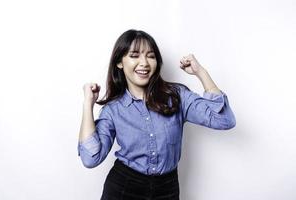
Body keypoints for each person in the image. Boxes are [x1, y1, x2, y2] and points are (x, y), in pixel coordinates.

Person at [77, 29, 236, 200]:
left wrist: (201, 73)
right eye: (134, 55)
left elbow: (224, 120)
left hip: (167, 189)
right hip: (123, 189)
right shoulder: (113, 110)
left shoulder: (177, 96)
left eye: (150, 56)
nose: (144, 63)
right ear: (119, 62)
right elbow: (90, 159)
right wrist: (88, 104)